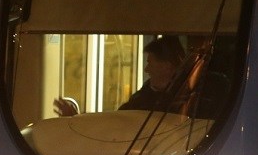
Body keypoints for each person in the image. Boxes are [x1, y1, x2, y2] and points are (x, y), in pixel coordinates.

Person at [53, 36, 188, 116]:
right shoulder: (147, 94)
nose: (147, 69)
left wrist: (77, 118)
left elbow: (117, 124)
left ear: (167, 66)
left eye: (150, 63)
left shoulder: (181, 101)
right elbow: (118, 119)